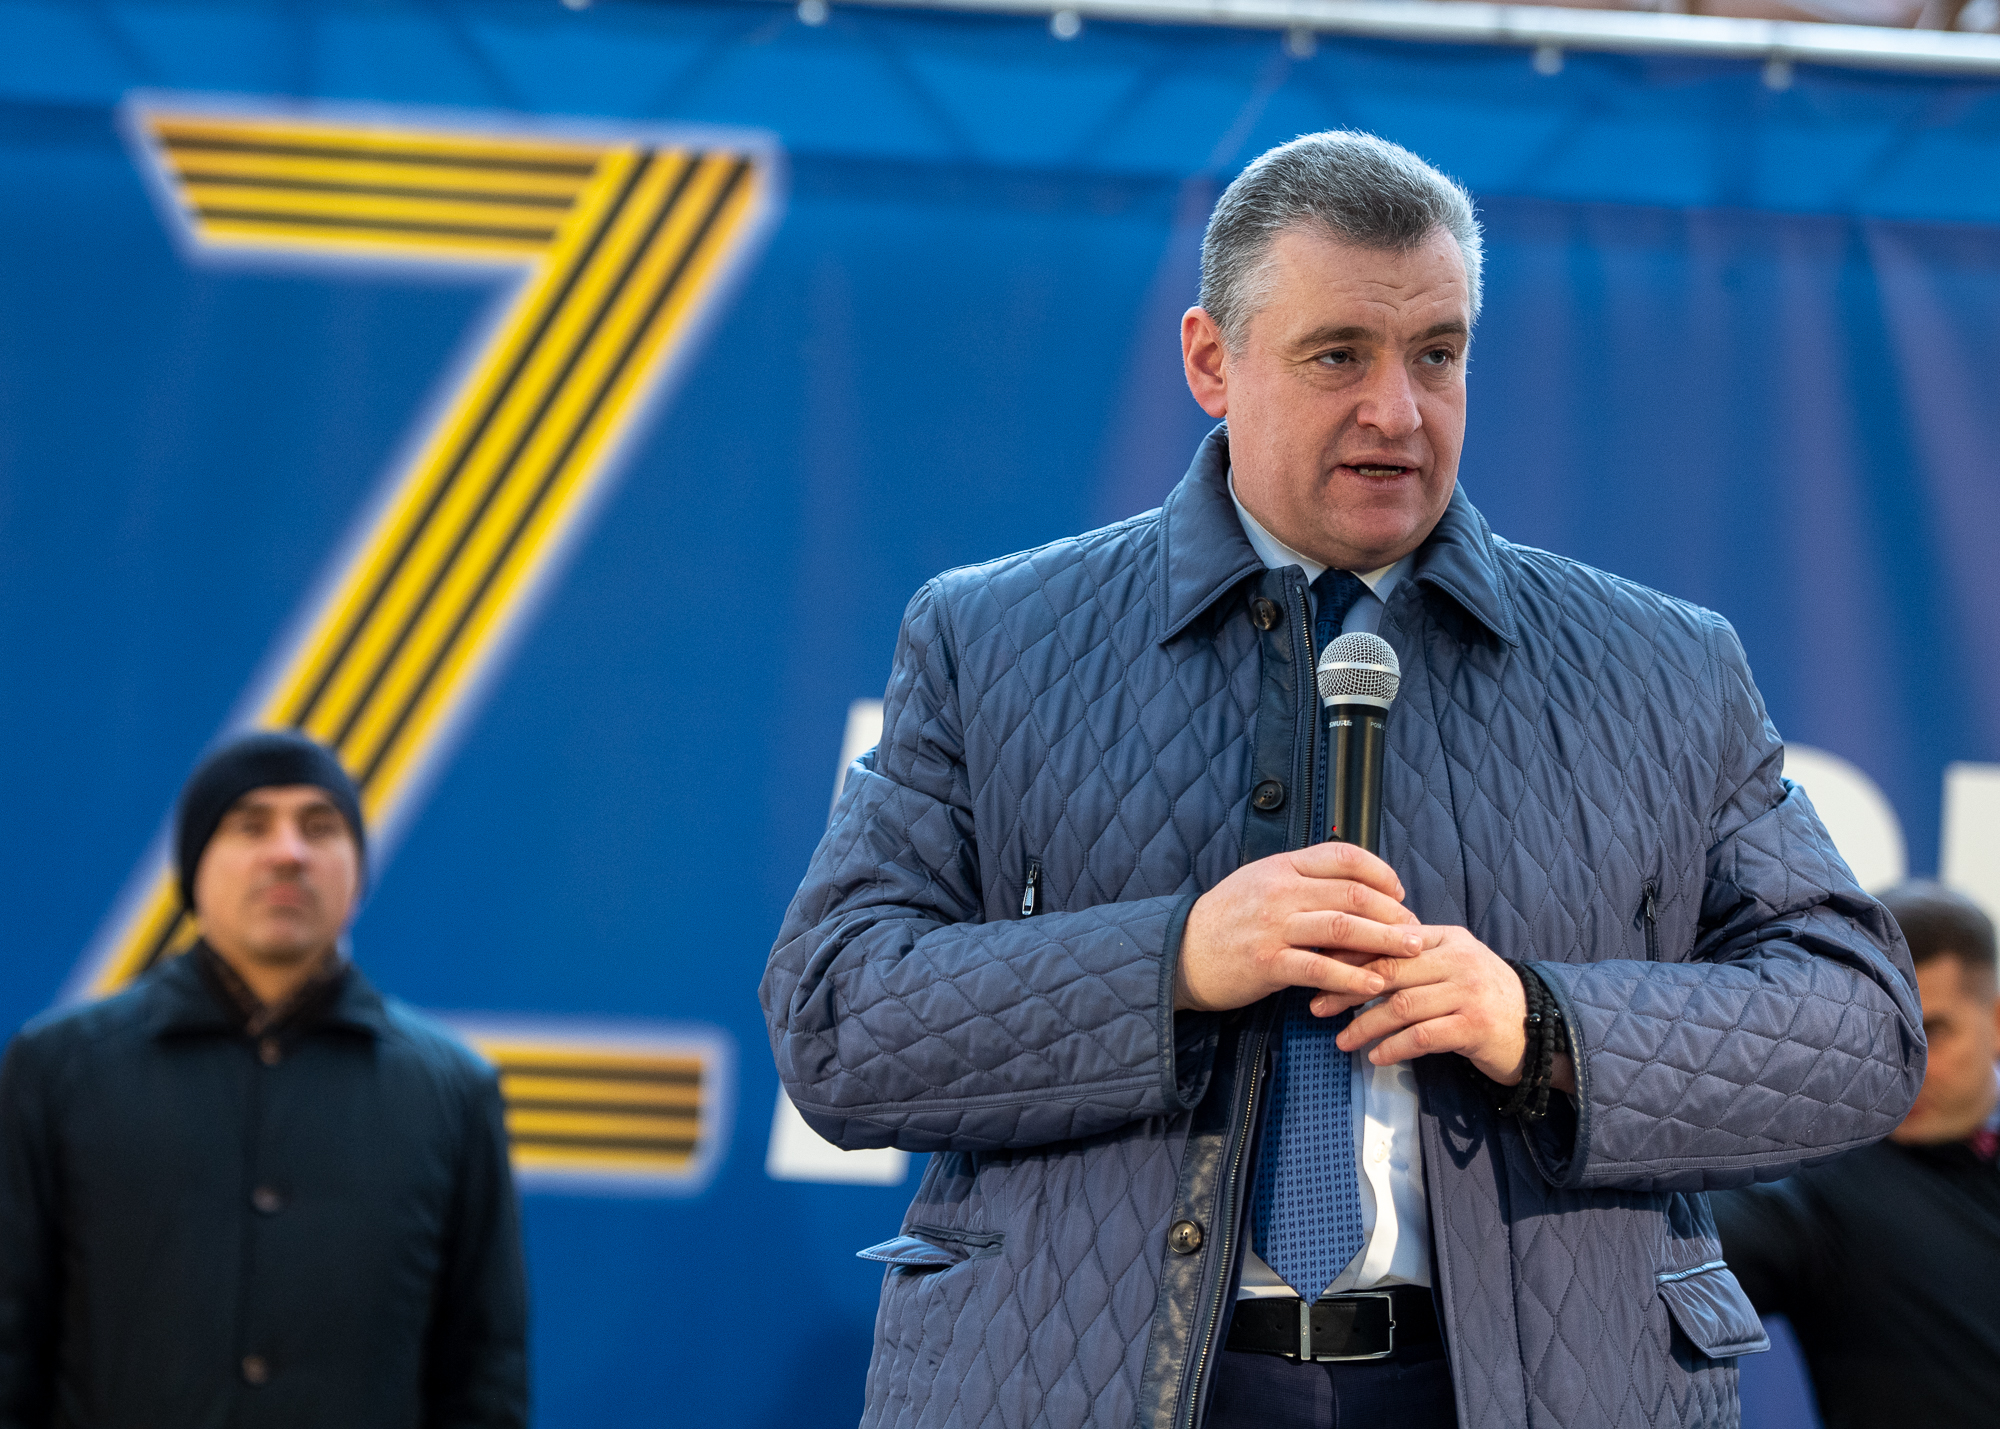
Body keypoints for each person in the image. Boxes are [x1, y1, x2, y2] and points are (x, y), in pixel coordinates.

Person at [762, 131, 1923, 1429]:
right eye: (1338, 356)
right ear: (1211, 360)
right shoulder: (990, 641)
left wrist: (1543, 1026)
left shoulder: (1665, 667)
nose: (1398, 411)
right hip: (1081, 1386)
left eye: (1436, 353)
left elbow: (1860, 1028)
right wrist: (1171, 963)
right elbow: (836, 1020)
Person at [0, 730, 529, 1429]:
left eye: (320, 826)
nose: (288, 852)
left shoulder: (452, 1092)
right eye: (250, 825)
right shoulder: (59, 1070)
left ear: (357, 871)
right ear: (194, 868)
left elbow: (485, 1377)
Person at [1714, 880, 2000, 1429]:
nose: (1903, 1067)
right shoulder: (1814, 1189)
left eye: (1932, 1032)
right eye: (1878, 1036)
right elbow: (1654, 1261)